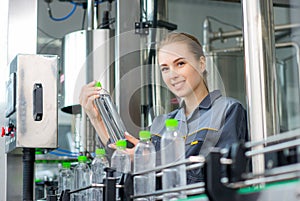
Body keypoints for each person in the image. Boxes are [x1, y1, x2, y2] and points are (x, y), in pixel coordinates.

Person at [79, 32, 248, 184]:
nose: (172, 75)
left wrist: (153, 160)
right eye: (165, 68)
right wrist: (97, 119)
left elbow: (222, 175)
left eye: (180, 63)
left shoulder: (228, 110)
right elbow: (131, 173)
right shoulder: (161, 123)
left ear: (201, 64)